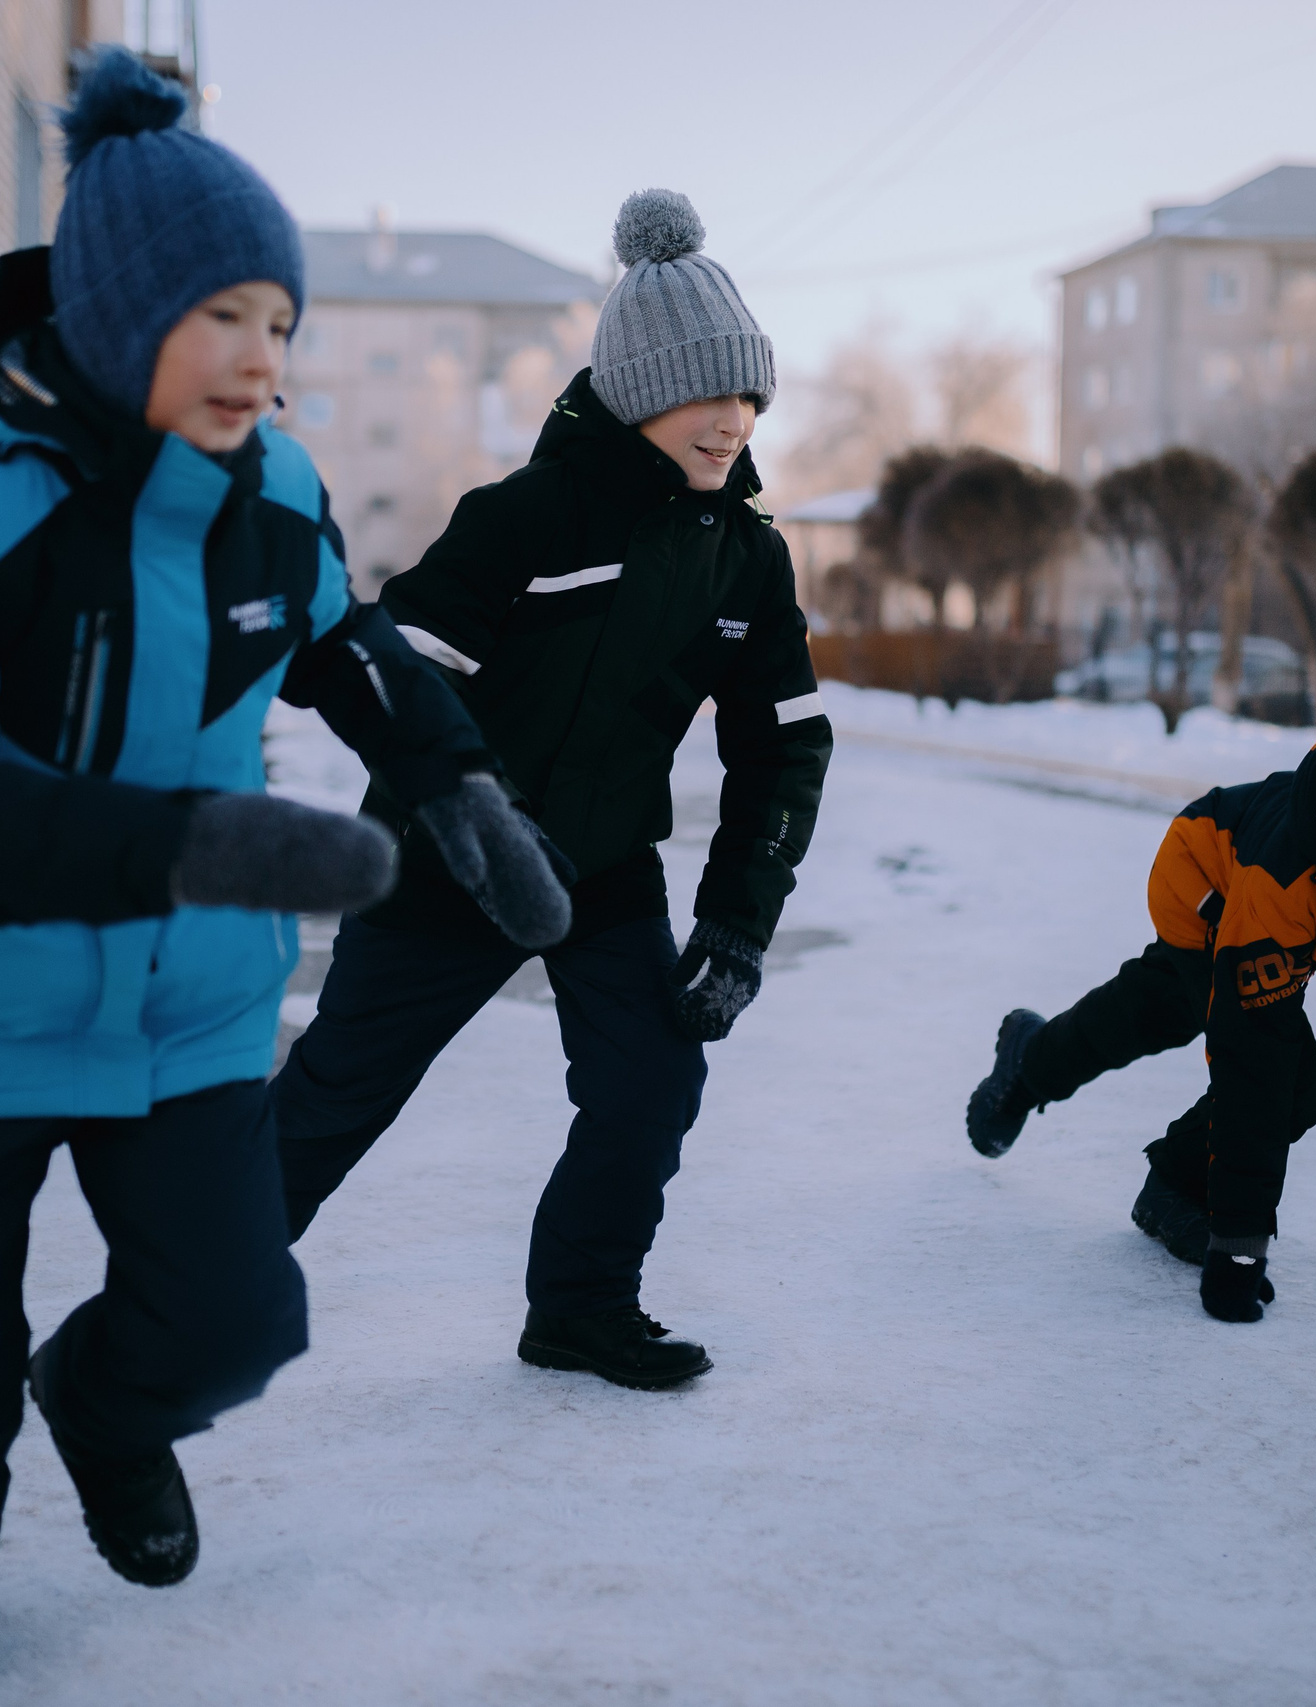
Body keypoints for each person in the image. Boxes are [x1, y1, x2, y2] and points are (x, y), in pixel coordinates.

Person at [0, 53, 566, 1707]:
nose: (262, 358)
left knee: (234, 1320)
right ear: (120, 308)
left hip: (188, 1011)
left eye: (280, 322)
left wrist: (455, 782)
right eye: (225, 315)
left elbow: (342, 644)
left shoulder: (276, 498)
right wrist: (186, 846)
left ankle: (110, 1404)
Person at [269, 189, 833, 1391]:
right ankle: (181, 1291)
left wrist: (738, 920)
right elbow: (396, 673)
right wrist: (465, 814)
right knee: (336, 1101)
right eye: (705, 391)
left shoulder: (746, 553)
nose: (731, 419)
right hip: (450, 859)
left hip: (603, 868)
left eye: (748, 395)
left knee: (651, 1082)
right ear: (637, 390)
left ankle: (579, 1307)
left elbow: (782, 740)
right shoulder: (528, 517)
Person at [963, 650, 1316, 1323]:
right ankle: (1174, 1187)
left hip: (1282, 904)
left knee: (1156, 1007)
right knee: (1289, 1083)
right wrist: (1239, 1248)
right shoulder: (1281, 890)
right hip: (1206, 883)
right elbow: (1254, 1071)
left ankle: (1028, 1063)